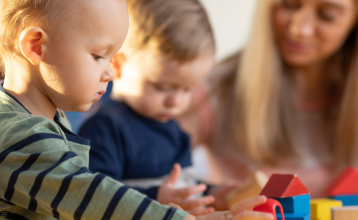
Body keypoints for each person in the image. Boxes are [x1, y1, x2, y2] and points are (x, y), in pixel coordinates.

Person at [0, 0, 274, 219]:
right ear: (36, 46)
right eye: (98, 55)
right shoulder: (20, 135)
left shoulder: (46, 120)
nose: (108, 72)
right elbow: (89, 195)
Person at [179, 0, 358, 198]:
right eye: (289, 4)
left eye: (328, 15)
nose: (301, 29)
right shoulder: (213, 91)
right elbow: (150, 173)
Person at [79, 0, 238, 215]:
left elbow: (179, 185)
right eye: (163, 87)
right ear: (118, 65)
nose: (176, 101)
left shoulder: (174, 130)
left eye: (187, 89)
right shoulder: (105, 128)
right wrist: (157, 198)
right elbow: (95, 197)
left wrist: (211, 192)